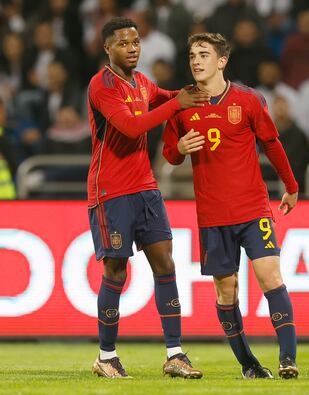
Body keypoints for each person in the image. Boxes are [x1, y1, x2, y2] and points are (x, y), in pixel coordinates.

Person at [163, 33, 299, 379]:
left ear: (222, 61)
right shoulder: (181, 105)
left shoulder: (248, 100)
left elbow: (271, 143)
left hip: (252, 209)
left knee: (270, 276)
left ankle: (287, 359)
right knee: (227, 291)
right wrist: (179, 147)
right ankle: (249, 365)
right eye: (192, 54)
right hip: (212, 215)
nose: (196, 60)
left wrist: (291, 185)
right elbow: (170, 155)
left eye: (204, 54)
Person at [87, 17, 209, 379]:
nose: (133, 48)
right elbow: (132, 126)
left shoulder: (141, 82)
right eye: (124, 43)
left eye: (136, 41)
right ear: (107, 48)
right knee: (116, 270)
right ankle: (106, 357)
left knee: (166, 264)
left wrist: (195, 93)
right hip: (111, 191)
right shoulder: (102, 85)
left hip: (145, 187)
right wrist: (177, 104)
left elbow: (167, 98)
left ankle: (174, 354)